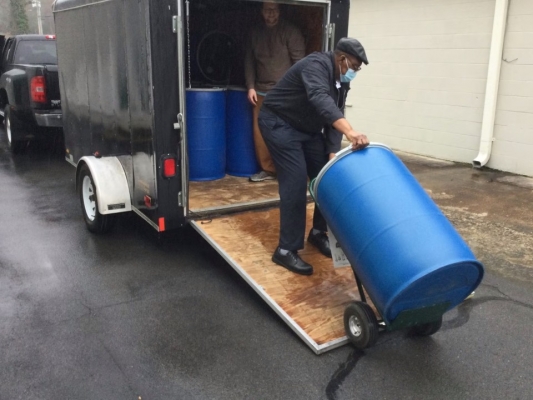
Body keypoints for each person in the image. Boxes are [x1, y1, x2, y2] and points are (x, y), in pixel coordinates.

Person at [258, 37, 370, 276]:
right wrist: (350, 132)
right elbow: (320, 99)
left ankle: (318, 232)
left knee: (326, 177)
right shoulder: (315, 66)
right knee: (296, 182)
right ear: (341, 59)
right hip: (279, 122)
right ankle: (286, 250)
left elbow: (334, 113)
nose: (355, 72)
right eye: (355, 67)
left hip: (306, 129)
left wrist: (331, 151)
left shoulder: (341, 80)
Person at [245, 1, 305, 182]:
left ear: (280, 10)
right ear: (261, 11)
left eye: (274, 10)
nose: (271, 14)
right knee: (260, 132)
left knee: (285, 132)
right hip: (260, 92)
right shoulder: (254, 33)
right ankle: (268, 170)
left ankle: (286, 170)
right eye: (267, 10)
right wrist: (250, 87)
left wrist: (294, 92)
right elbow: (249, 61)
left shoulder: (291, 32)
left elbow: (300, 64)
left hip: (284, 94)